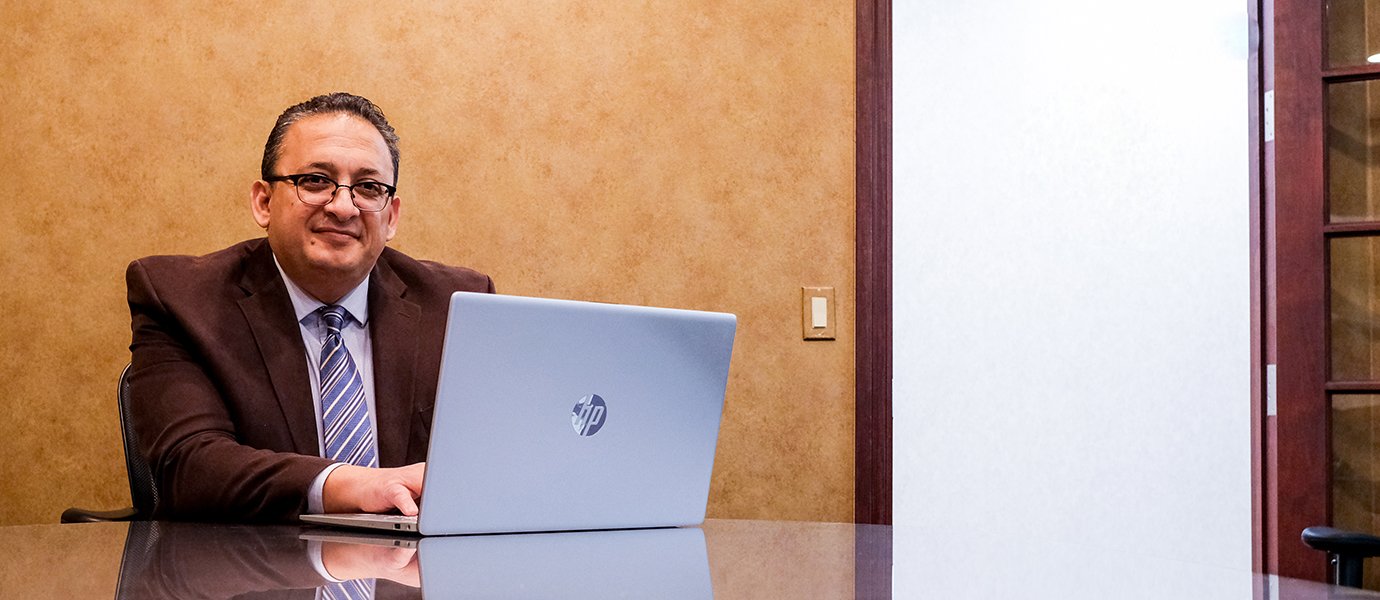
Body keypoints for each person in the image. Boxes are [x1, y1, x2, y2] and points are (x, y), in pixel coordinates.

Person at [126, 92, 493, 522]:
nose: (342, 207)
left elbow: (496, 455)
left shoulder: (457, 306)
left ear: (391, 217)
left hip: (414, 578)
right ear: (264, 202)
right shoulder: (182, 299)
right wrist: (354, 485)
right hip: (253, 576)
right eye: (316, 181)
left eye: (368, 188)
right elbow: (187, 468)